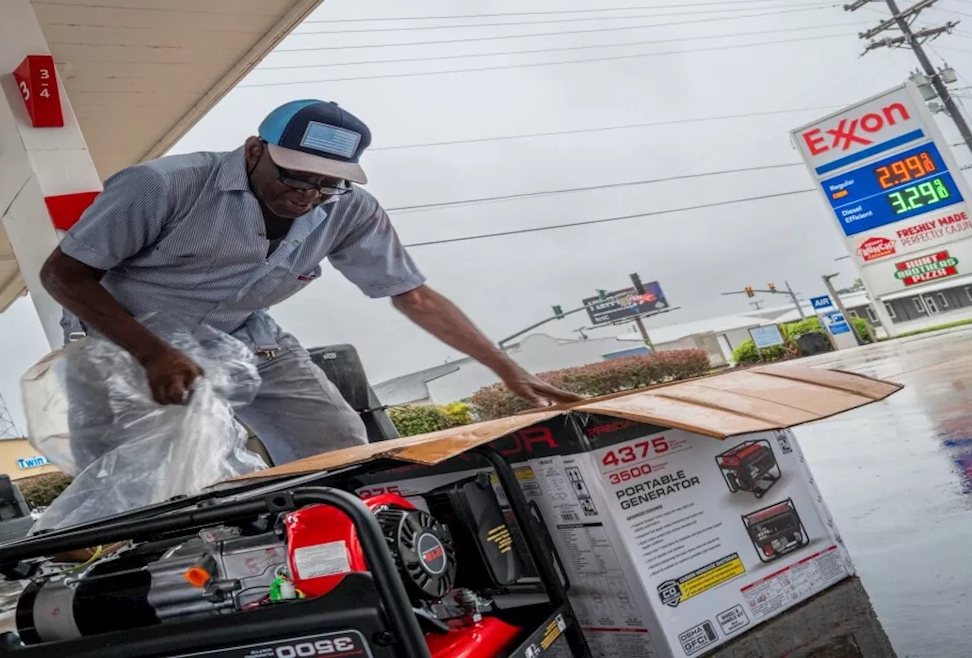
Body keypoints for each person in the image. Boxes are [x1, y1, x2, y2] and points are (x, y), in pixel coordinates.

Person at [40, 100, 578, 465]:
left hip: (243, 335)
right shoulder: (161, 187)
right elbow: (62, 276)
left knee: (338, 445)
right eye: (295, 174)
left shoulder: (350, 210)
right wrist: (152, 353)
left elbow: (412, 294)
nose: (309, 194)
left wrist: (506, 368)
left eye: (329, 183)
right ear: (255, 150)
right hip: (120, 339)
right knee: (138, 480)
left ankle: (329, 559)